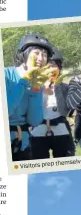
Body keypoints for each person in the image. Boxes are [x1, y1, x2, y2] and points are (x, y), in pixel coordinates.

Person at [4, 33, 54, 161]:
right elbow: (5, 112)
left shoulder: (38, 81)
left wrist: (36, 88)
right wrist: (24, 80)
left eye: (44, 55)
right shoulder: (6, 75)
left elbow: (34, 121)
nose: (41, 58)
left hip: (23, 144)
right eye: (36, 53)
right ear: (24, 54)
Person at [30, 48, 76, 159]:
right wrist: (41, 89)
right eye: (47, 66)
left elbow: (68, 111)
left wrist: (58, 88)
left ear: (59, 68)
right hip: (38, 131)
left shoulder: (65, 87)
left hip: (60, 129)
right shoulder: (33, 86)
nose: (50, 69)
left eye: (54, 65)